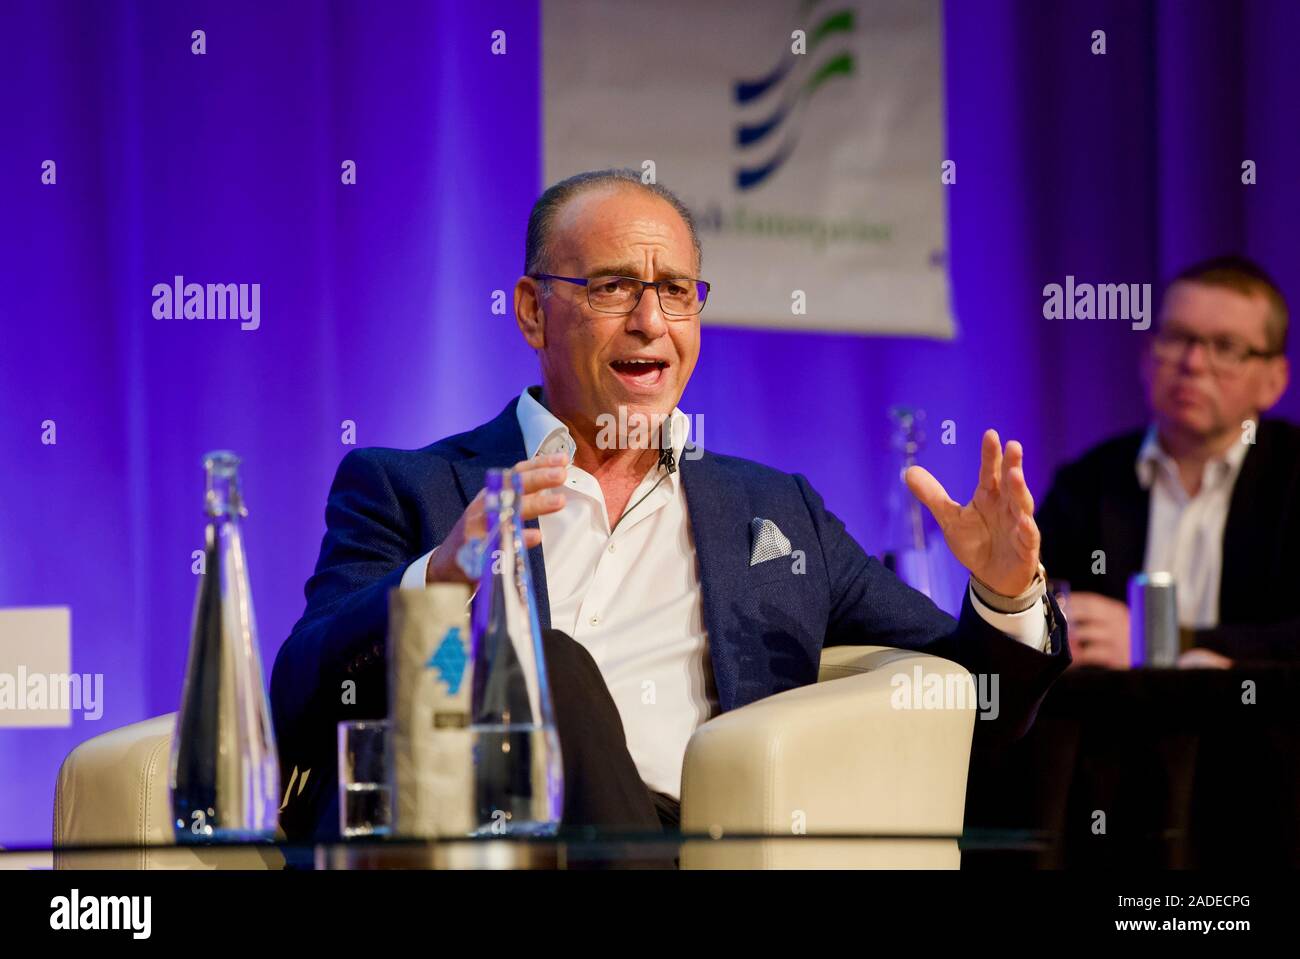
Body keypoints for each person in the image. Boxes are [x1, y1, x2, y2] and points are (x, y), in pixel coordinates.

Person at [271, 169, 1069, 842]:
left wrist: (1005, 595)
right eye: (615, 286)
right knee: (547, 663)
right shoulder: (409, 486)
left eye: (676, 291)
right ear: (530, 310)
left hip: (689, 844)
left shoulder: (775, 510)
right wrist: (439, 583)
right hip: (480, 839)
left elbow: (969, 706)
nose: (650, 321)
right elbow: (300, 702)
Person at [1037, 256, 1298, 669]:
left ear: (1273, 381)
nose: (1192, 364)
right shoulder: (1088, 482)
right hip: (1116, 724)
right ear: (1146, 355)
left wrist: (1164, 642)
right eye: (1176, 337)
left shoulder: (1292, 475)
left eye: (1225, 347)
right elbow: (1041, 612)